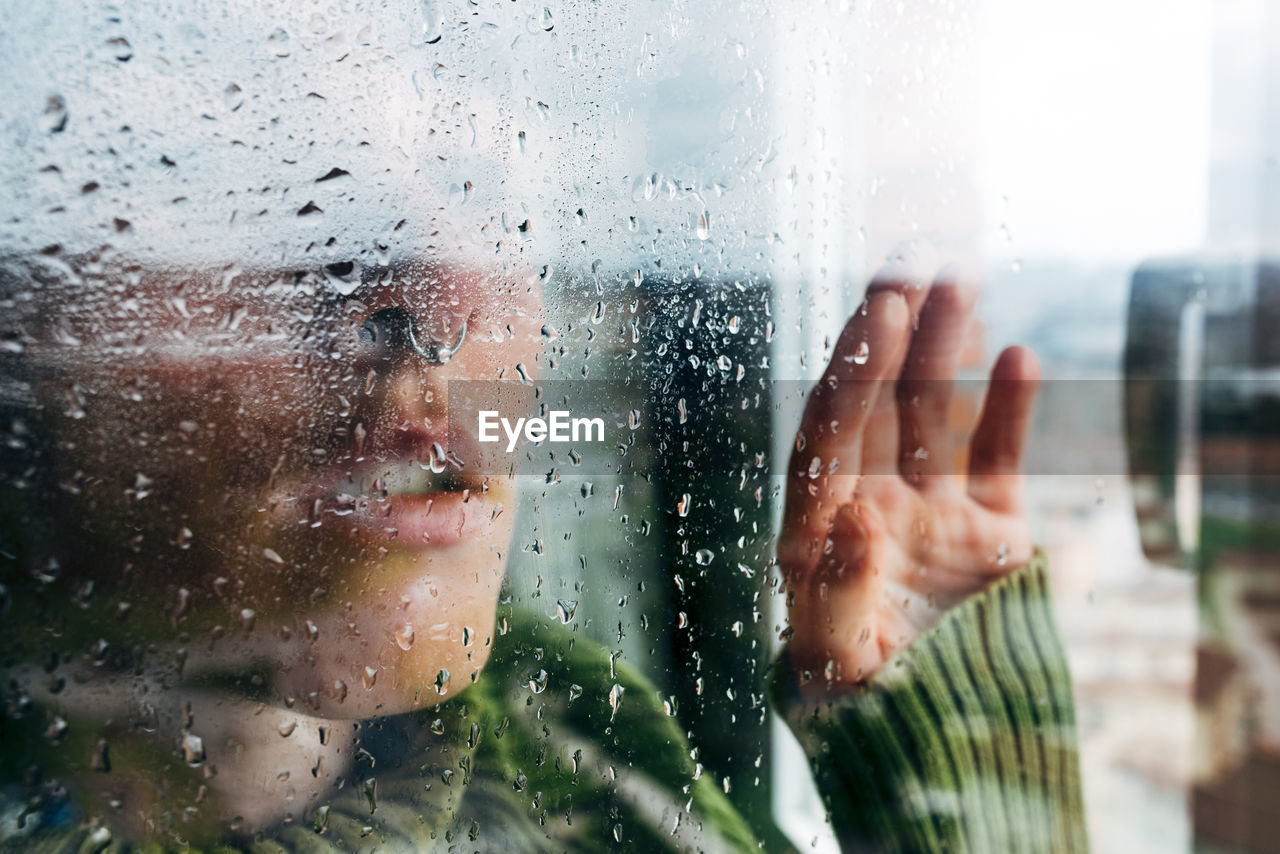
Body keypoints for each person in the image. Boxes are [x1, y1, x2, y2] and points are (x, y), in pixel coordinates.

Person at [0, 2, 1086, 851]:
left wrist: (947, 738)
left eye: (473, 176)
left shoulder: (591, 760)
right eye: (238, 182)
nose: (449, 287)